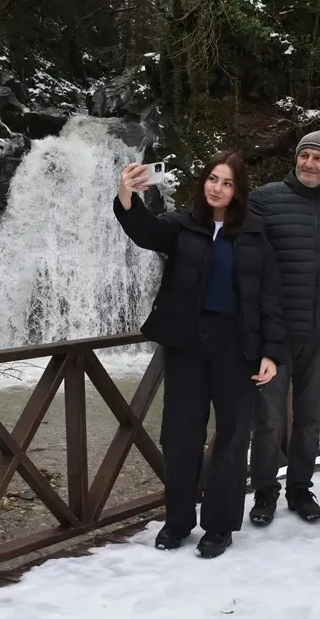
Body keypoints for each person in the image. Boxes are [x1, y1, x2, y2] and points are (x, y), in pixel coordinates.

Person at [113, 152, 286, 558]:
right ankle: (177, 521)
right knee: (181, 435)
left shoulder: (256, 235)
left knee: (231, 436)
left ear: (238, 191)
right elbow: (143, 231)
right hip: (188, 342)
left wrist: (272, 353)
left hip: (237, 346)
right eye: (212, 179)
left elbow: (270, 299)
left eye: (227, 183)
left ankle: (220, 525)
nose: (217, 188)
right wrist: (125, 195)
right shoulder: (182, 224)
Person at [247, 131, 320, 525]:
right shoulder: (265, 199)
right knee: (268, 419)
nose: (308, 163)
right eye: (304, 155)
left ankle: (301, 489)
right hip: (275, 334)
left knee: (308, 419)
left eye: (319, 158)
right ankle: (265, 491)